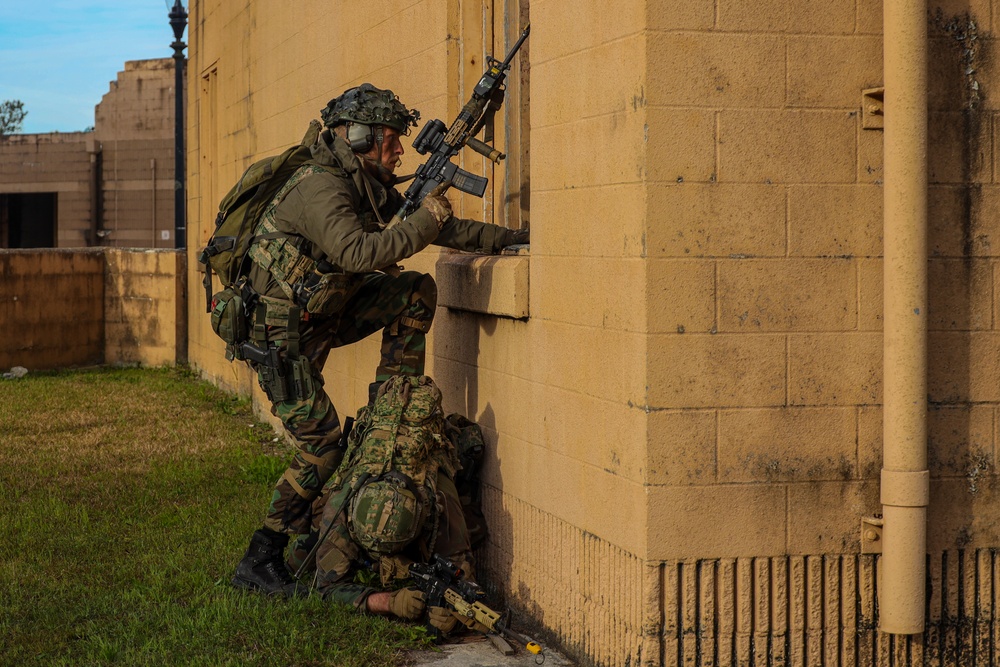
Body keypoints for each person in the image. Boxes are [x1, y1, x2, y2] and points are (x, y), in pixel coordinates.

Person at [231, 83, 527, 596]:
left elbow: (444, 232)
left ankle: (389, 415)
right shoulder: (320, 186)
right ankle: (261, 556)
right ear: (360, 135)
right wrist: (423, 220)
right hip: (279, 338)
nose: (398, 149)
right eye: (391, 139)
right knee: (322, 445)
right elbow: (356, 253)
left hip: (317, 317)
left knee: (412, 292)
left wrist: (513, 239)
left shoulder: (363, 182)